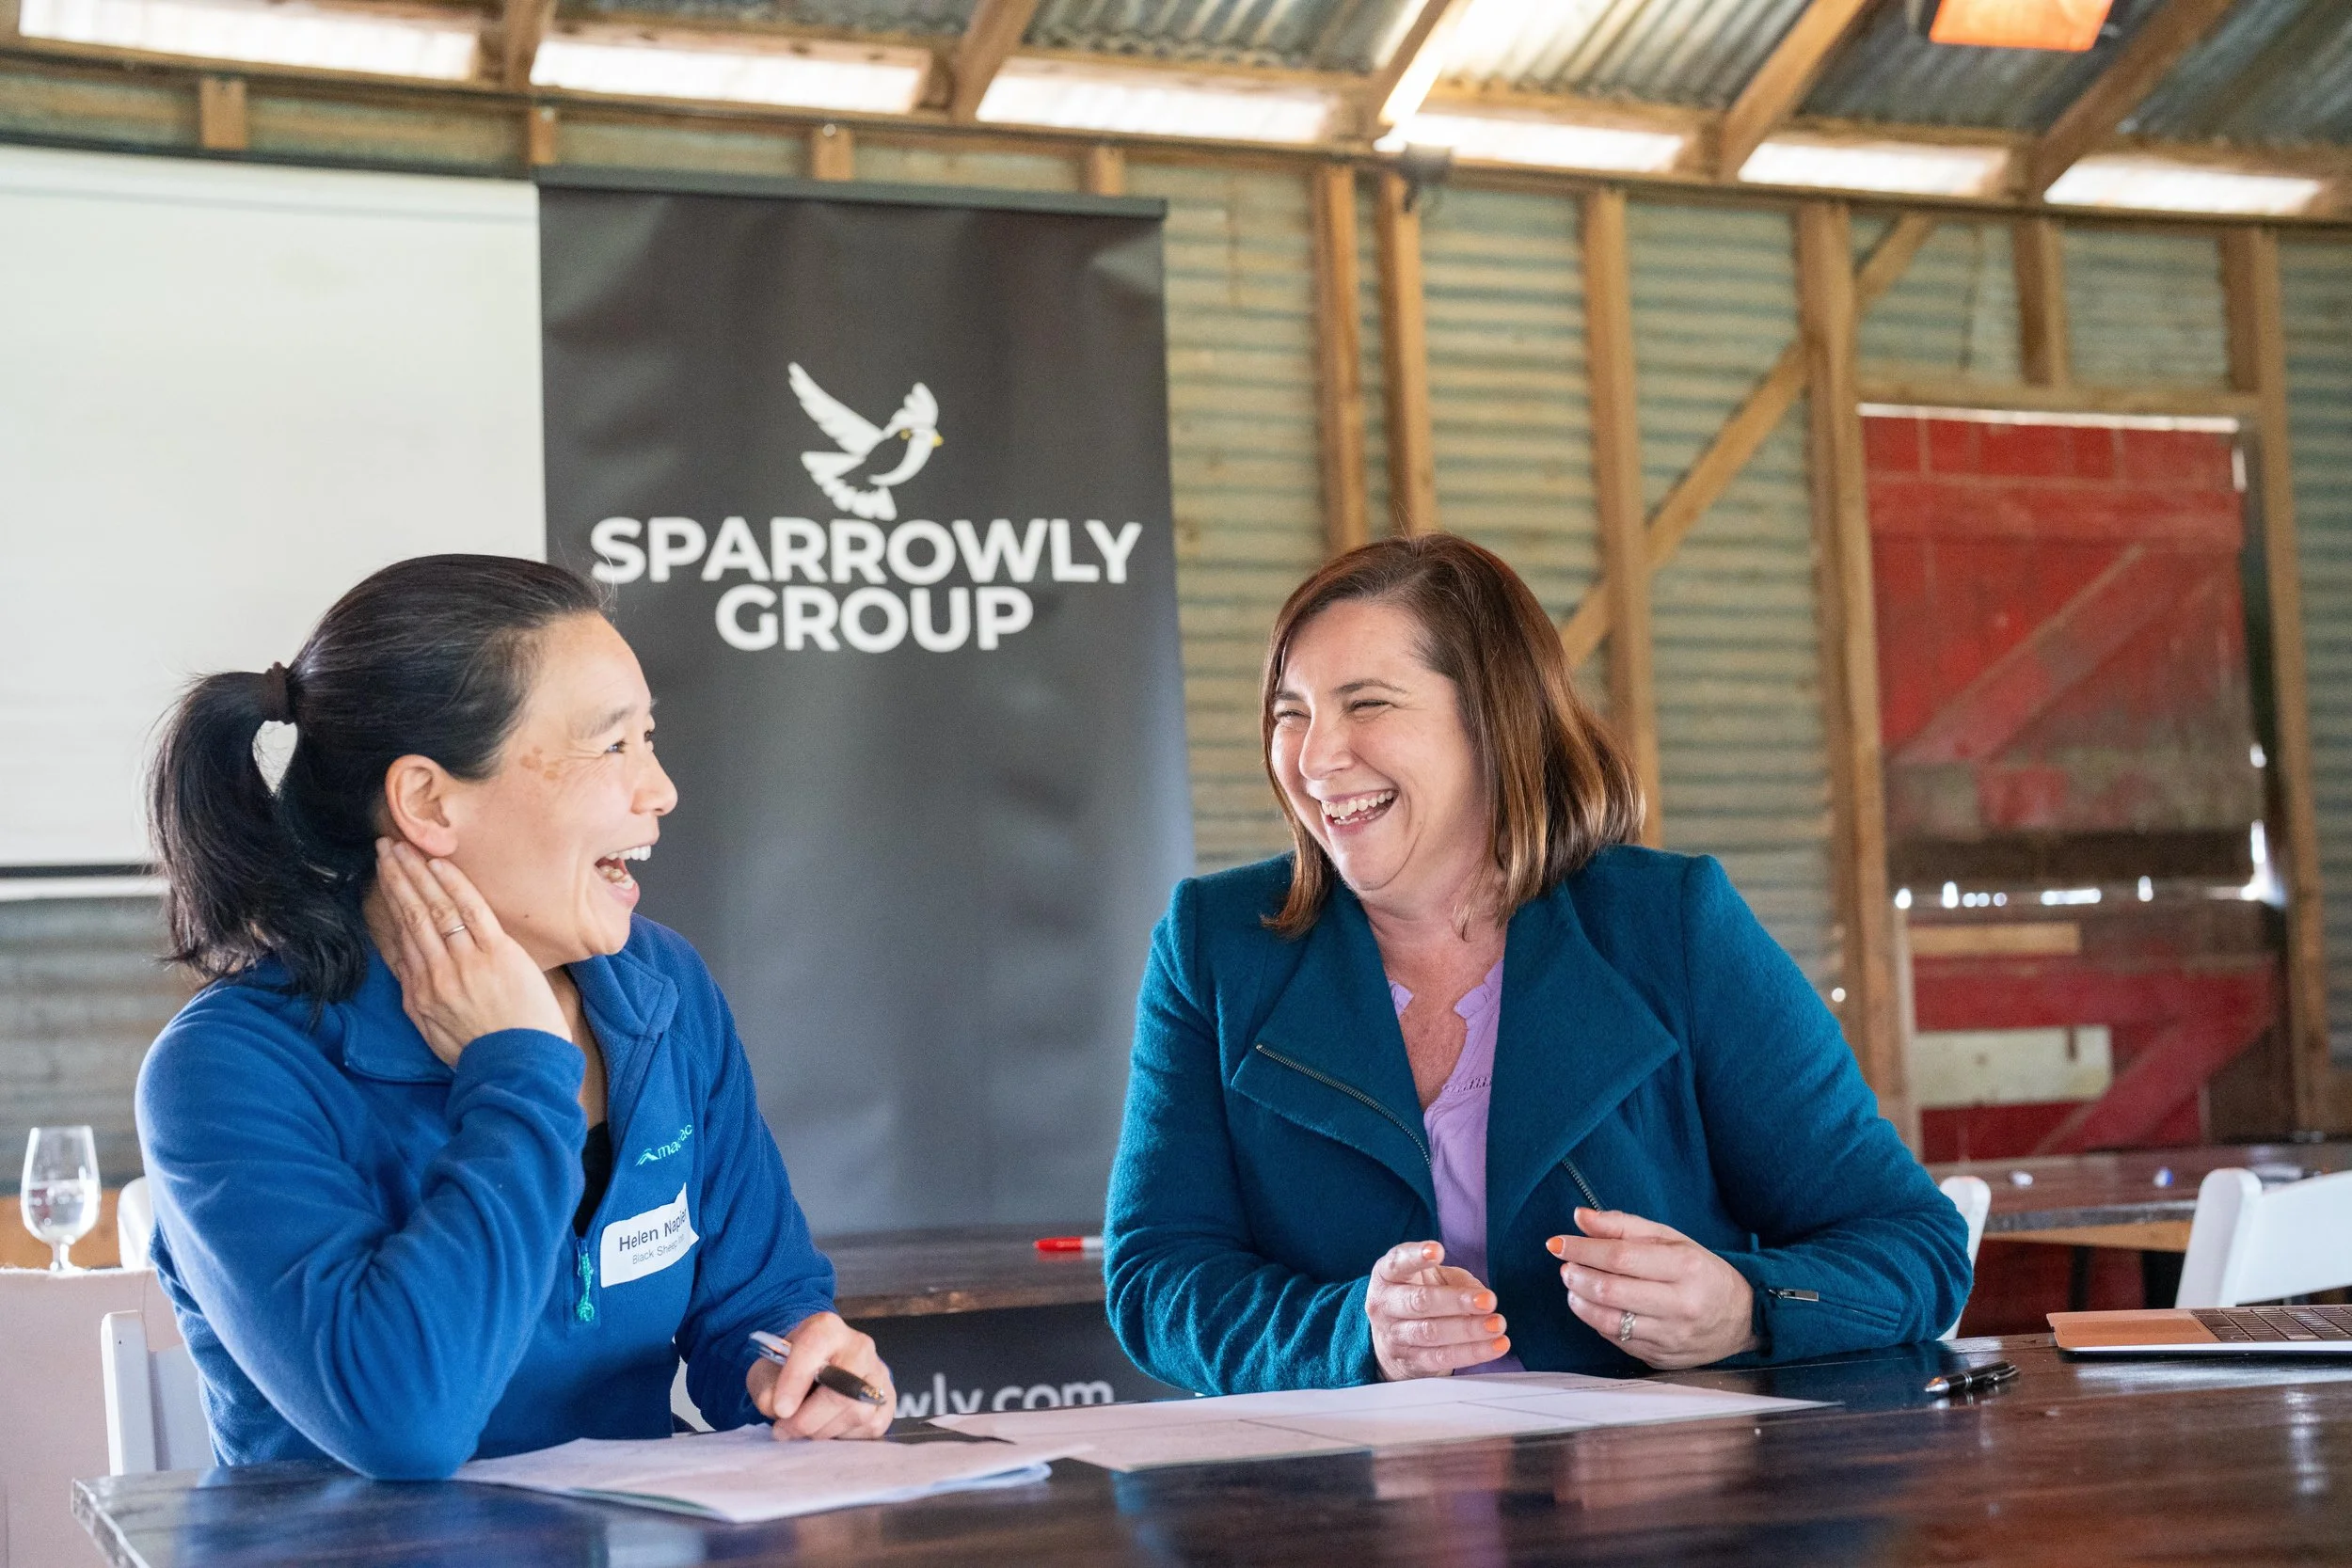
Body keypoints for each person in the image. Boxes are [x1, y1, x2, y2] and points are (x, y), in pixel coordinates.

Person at [1104, 536, 1969, 1392]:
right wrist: (1349, 1333)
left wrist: (1745, 1307)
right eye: (1290, 711)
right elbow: (1157, 1276)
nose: (1314, 756)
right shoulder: (1212, 945)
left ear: (1494, 719)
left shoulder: (1672, 925)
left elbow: (1911, 1244)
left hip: (1655, 1513)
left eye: (1366, 704)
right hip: (1344, 1508)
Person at [137, 554, 893, 1480]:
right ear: (429, 799)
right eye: (612, 746)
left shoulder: (661, 989)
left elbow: (756, 1299)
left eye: (649, 739)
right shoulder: (230, 1068)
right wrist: (516, 1067)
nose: (659, 790)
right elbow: (403, 1422)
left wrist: (800, 1362)